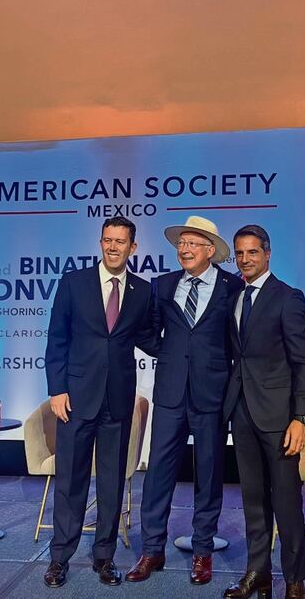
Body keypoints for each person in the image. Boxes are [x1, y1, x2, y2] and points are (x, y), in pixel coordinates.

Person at [126, 216, 243, 586]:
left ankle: (203, 551)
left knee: (208, 475)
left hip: (211, 394)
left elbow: (238, 337)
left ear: (211, 250)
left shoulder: (233, 286)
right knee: (158, 473)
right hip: (171, 393)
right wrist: (173, 352)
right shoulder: (162, 285)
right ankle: (152, 550)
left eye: (193, 244)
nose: (185, 250)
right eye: (181, 244)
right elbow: (145, 330)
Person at [42, 216, 154, 589]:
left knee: (110, 483)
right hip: (74, 401)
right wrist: (57, 390)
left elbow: (151, 339)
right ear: (100, 242)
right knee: (70, 482)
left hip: (117, 402)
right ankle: (60, 558)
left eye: (120, 241)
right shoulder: (74, 283)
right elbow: (56, 339)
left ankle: (103, 557)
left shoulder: (142, 291)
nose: (112, 247)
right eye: (107, 240)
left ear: (132, 247)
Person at [222, 224, 305, 599]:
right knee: (253, 500)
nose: (245, 260)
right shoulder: (233, 295)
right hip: (242, 413)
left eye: (252, 253)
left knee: (286, 500)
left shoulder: (288, 297)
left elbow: (304, 363)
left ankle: (295, 580)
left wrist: (302, 417)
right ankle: (257, 573)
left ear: (267, 253)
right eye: (240, 253)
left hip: (280, 417)